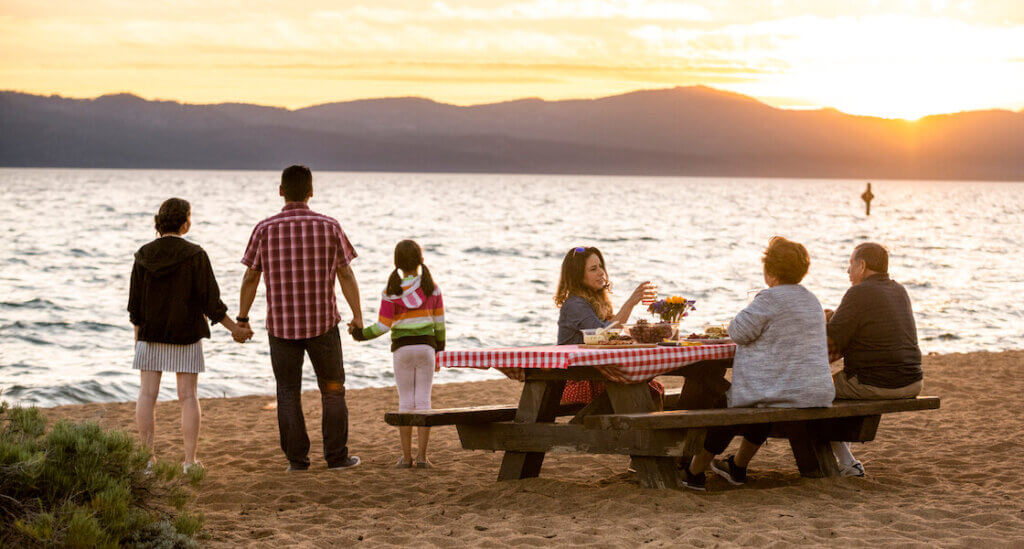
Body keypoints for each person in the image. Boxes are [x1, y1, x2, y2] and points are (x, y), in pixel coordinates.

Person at [681, 237, 834, 491]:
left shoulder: (769, 299)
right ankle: (737, 467)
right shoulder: (811, 300)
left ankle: (694, 472)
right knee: (758, 403)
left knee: (726, 403)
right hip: (814, 391)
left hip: (782, 392)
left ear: (770, 271)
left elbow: (737, 332)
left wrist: (753, 305)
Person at [237, 165, 362, 472]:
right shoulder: (329, 226)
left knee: (288, 392)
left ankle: (297, 461)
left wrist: (242, 318)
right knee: (333, 390)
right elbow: (346, 274)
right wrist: (358, 317)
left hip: (281, 327)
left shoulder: (264, 229)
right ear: (311, 191)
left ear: (281, 191)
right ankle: (337, 458)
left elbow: (250, 278)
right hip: (323, 324)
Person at [128, 198, 253, 472]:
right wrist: (236, 329)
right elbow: (211, 303)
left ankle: (147, 461)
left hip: (150, 335)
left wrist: (138, 339)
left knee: (147, 395)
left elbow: (134, 305)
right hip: (186, 335)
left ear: (160, 221)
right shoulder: (196, 255)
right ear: (185, 222)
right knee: (188, 396)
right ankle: (189, 461)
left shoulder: (143, 254)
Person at [825, 242, 923, 477]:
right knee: (837, 386)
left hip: (877, 383)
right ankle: (846, 460)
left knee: (812, 391)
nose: (848, 272)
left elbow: (830, 340)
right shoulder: (899, 290)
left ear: (862, 265)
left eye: (850, 265)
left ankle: (847, 462)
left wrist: (821, 318)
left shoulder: (858, 292)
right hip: (912, 382)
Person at [350, 240, 445, 469]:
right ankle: (423, 457)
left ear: (397, 263)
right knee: (424, 402)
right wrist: (440, 353)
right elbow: (440, 325)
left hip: (402, 350)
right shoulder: (432, 289)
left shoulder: (390, 291)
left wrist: (360, 334)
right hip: (426, 349)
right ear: (421, 260)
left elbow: (383, 327)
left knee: (406, 401)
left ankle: (406, 458)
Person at [554, 246, 658, 404]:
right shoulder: (575, 304)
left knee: (650, 388)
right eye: (593, 269)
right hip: (579, 380)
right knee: (642, 393)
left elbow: (611, 334)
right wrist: (630, 303)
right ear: (578, 275)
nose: (601, 272)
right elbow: (604, 335)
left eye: (601, 266)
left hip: (598, 373)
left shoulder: (597, 302)